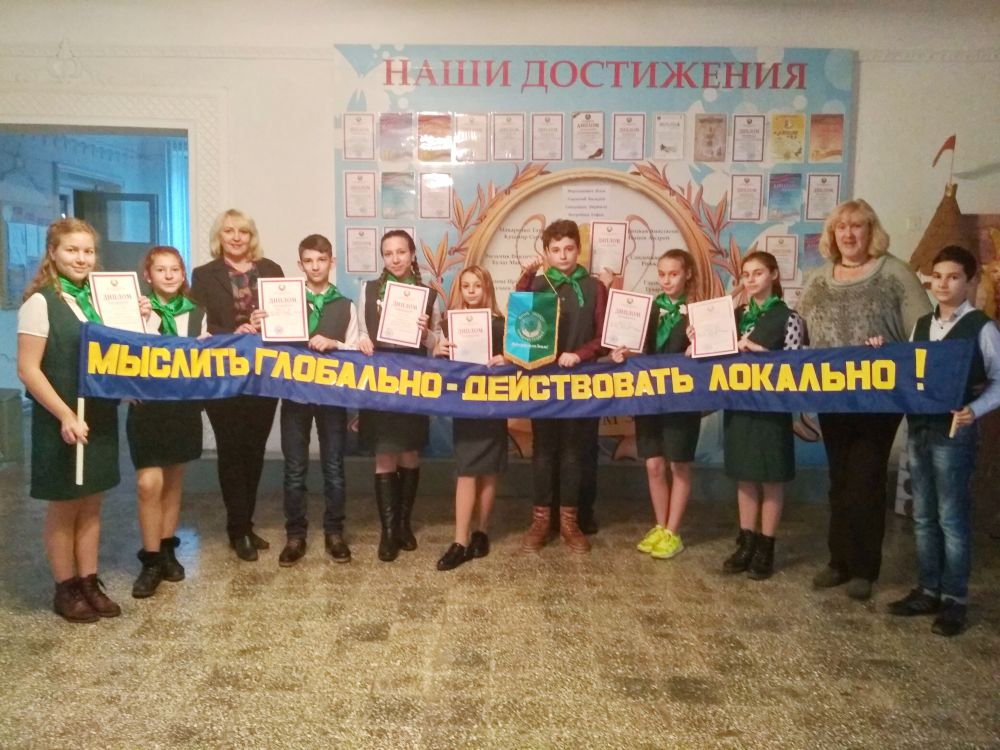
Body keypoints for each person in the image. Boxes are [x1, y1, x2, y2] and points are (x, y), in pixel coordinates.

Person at [799, 199, 931, 600]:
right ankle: (838, 561)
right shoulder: (817, 279)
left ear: (871, 231)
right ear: (832, 234)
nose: (849, 234)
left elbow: (924, 330)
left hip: (879, 398)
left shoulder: (895, 273)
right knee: (839, 479)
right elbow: (799, 332)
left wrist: (891, 349)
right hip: (832, 397)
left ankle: (864, 568)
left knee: (867, 478)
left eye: (857, 226)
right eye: (841, 227)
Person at [17, 218, 131, 621]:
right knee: (65, 504)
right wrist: (64, 414)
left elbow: (114, 356)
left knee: (92, 502)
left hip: (98, 415)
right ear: (53, 253)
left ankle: (88, 581)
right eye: (72, 250)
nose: (81, 258)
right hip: (61, 419)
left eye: (88, 251)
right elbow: (28, 369)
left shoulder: (99, 300)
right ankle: (65, 588)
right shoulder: (40, 302)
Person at [886, 246, 1000, 636]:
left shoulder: (981, 327)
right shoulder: (922, 325)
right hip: (920, 429)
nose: (943, 284)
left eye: (953, 277)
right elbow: (907, 370)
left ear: (970, 281)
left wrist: (976, 410)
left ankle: (955, 598)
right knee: (923, 515)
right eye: (937, 277)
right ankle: (928, 589)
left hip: (954, 433)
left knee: (951, 518)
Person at [191, 209, 283, 562]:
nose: (235, 237)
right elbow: (198, 324)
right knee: (231, 450)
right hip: (223, 374)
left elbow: (288, 319)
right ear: (220, 236)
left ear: (251, 236)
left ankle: (247, 523)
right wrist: (233, 332)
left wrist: (267, 323)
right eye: (228, 231)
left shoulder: (271, 270)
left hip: (262, 373)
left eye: (242, 231)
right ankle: (237, 529)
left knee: (255, 450)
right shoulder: (203, 275)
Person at [517, 219, 607, 554]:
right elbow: (519, 320)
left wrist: (581, 354)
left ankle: (570, 521)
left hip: (580, 380)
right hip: (544, 380)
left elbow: (604, 334)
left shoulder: (594, 287)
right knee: (543, 450)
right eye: (555, 250)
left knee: (573, 451)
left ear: (578, 250)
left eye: (569, 248)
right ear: (546, 253)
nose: (563, 255)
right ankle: (541, 521)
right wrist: (526, 277)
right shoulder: (538, 284)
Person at [720, 251, 806, 580]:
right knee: (744, 475)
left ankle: (766, 545)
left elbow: (797, 367)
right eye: (746, 274)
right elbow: (716, 355)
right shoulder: (735, 315)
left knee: (771, 476)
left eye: (758, 273)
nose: (751, 279)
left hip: (772, 408)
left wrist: (764, 353)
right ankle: (746, 542)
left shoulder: (789, 317)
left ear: (773, 275)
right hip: (739, 404)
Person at [611, 249, 700, 560]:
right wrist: (622, 353)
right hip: (649, 397)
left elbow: (712, 353)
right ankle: (661, 526)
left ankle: (674, 532)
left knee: (679, 464)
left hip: (682, 400)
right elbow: (640, 349)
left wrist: (699, 344)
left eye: (673, 274)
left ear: (687, 274)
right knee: (653, 465)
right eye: (662, 274)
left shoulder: (698, 313)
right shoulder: (647, 310)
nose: (666, 280)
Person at [128, 246, 206, 598]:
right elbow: (117, 352)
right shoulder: (134, 309)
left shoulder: (197, 312)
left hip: (182, 407)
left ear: (183, 273)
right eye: (161, 270)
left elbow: (207, 356)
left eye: (175, 269)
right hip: (147, 408)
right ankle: (150, 560)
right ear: (148, 275)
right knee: (149, 484)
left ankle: (167, 549)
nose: (169, 275)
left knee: (173, 481)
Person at [357, 230, 439, 562]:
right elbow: (360, 331)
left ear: (412, 254)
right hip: (379, 382)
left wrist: (426, 332)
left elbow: (438, 344)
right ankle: (388, 531)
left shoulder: (428, 295)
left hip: (412, 382)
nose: (395, 258)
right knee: (384, 455)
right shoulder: (368, 289)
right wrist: (362, 340)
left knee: (409, 453)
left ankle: (404, 524)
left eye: (401, 252)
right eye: (388, 253)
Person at [277, 234, 359, 567]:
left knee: (334, 467)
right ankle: (295, 535)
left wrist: (335, 344)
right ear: (300, 264)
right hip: (295, 393)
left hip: (332, 395)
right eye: (309, 261)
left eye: (321, 260)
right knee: (294, 468)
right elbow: (271, 344)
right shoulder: (285, 301)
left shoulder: (346, 305)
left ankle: (334, 533)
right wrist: (261, 322)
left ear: (331, 262)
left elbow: (356, 350)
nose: (315, 267)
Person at [433, 266, 507, 571]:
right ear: (460, 290)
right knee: (466, 470)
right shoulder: (451, 324)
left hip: (494, 404)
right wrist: (438, 349)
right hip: (466, 405)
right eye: (466, 286)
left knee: (489, 470)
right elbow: (440, 364)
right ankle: (460, 541)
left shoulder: (502, 324)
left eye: (478, 285)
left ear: (487, 288)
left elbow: (519, 359)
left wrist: (507, 358)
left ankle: (481, 532)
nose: (472, 290)